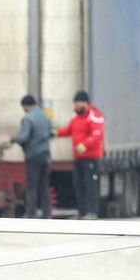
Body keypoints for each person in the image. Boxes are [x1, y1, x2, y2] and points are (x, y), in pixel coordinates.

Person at [53, 90, 105, 219]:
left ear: (86, 103)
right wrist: (56, 132)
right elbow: (68, 130)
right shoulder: (75, 118)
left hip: (91, 158)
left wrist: (85, 145)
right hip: (78, 158)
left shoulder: (94, 116)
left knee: (90, 185)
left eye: (78, 103)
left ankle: (92, 212)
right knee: (79, 185)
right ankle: (82, 212)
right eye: (75, 104)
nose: (76, 106)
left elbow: (97, 135)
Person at [12, 95, 53, 218]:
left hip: (33, 155)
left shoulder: (28, 118)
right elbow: (51, 133)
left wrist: (14, 139)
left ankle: (31, 213)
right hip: (45, 154)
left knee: (32, 186)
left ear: (25, 106)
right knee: (44, 186)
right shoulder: (45, 117)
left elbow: (24, 136)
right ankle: (47, 213)